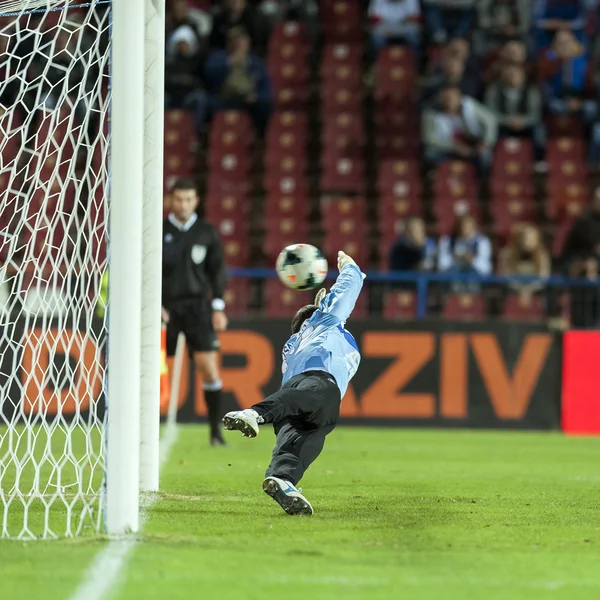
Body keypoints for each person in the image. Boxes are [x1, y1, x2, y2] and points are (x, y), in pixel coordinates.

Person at [222, 251, 364, 516]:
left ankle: (283, 481)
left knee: (296, 445)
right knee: (310, 427)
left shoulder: (292, 347)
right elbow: (348, 289)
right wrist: (351, 269)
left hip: (296, 399)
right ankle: (254, 413)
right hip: (321, 385)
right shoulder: (324, 321)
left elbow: (290, 392)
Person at [162, 179, 229, 446]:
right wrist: (154, 304)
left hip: (198, 308)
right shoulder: (158, 230)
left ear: (196, 201)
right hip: (164, 308)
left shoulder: (206, 232)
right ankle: (144, 428)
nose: (184, 204)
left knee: (208, 368)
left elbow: (218, 272)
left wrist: (219, 306)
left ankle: (215, 432)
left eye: (189, 199)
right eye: (179, 199)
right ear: (170, 200)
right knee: (154, 368)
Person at [204, 26, 272, 134]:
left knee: (264, 105)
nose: (238, 44)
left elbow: (266, 86)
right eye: (234, 41)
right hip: (223, 98)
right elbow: (210, 76)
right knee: (205, 103)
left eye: (241, 40)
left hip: (247, 100)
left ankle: (262, 138)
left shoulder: (255, 62)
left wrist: (256, 96)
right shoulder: (218, 57)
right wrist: (229, 63)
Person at [422, 85, 498, 169]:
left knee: (486, 156)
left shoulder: (470, 105)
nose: (449, 101)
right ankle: (434, 177)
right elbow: (429, 138)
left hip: (473, 143)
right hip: (448, 146)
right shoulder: (431, 113)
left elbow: (490, 120)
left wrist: (485, 142)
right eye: (446, 98)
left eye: (452, 98)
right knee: (430, 153)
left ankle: (483, 179)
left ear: (459, 98)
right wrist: (454, 147)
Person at [539, 29, 596, 123]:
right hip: (557, 98)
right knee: (554, 106)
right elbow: (543, 81)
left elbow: (590, 87)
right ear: (554, 46)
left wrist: (579, 102)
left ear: (574, 43)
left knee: (591, 108)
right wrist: (560, 60)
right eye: (560, 44)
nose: (565, 46)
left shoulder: (584, 61)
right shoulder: (549, 60)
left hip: (579, 98)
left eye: (567, 42)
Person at [165, 25, 207, 132]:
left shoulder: (196, 62)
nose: (183, 47)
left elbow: (200, 81)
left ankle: (194, 132)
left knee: (200, 98)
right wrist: (179, 80)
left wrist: (189, 82)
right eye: (180, 44)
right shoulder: (169, 62)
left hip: (188, 97)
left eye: (185, 44)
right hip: (171, 95)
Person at [484, 64, 543, 140]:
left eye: (517, 75)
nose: (513, 78)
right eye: (510, 75)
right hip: (502, 124)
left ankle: (539, 151)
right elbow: (489, 112)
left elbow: (535, 114)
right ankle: (488, 151)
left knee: (539, 129)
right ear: (504, 76)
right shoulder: (494, 90)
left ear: (523, 77)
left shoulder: (531, 91)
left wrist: (523, 121)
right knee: (490, 127)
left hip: (526, 125)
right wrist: (508, 120)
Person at [499, 223, 551, 297]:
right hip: (513, 289)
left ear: (537, 239)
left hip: (536, 290)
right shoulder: (508, 253)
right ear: (519, 239)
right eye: (525, 238)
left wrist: (529, 289)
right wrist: (521, 289)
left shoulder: (542, 255)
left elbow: (544, 277)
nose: (528, 241)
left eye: (532, 239)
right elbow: (506, 275)